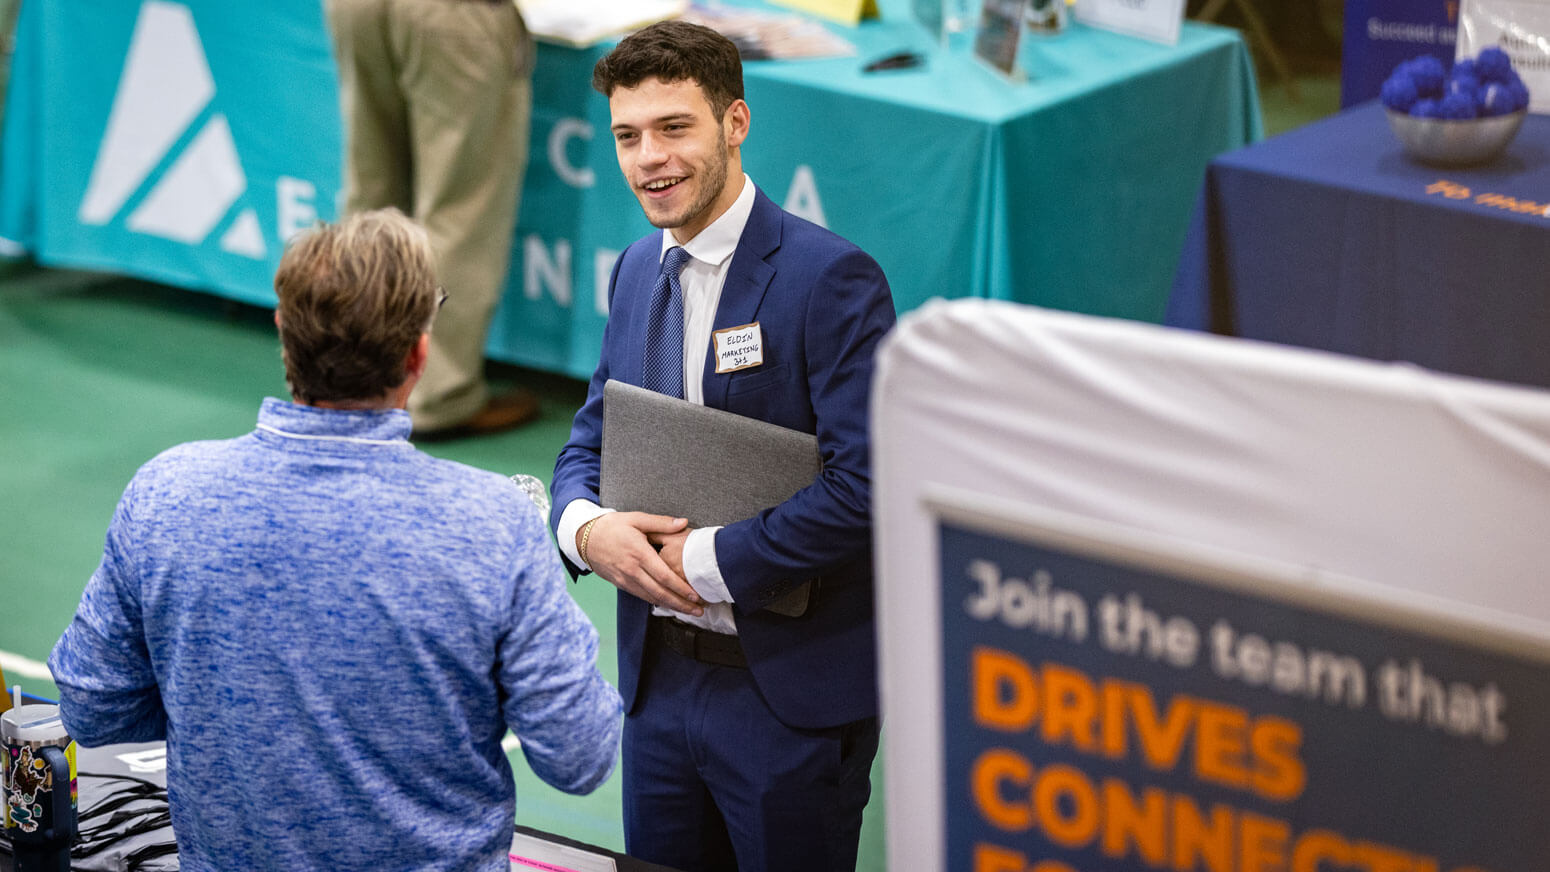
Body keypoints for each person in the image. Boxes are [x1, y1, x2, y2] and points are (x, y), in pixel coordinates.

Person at [49, 209, 622, 872]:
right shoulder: (495, 523)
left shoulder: (165, 493)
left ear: (282, 333)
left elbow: (92, 711)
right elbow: (581, 756)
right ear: (418, 354)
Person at [549, 21, 896, 871]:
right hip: (658, 684)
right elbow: (592, 434)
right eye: (628, 136)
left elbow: (866, 489)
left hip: (786, 697)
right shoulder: (637, 269)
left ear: (735, 124)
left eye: (675, 128)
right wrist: (587, 531)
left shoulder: (832, 280)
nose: (649, 160)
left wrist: (699, 562)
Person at [325, 0, 539, 438]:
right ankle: (437, 396)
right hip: (450, 14)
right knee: (460, 208)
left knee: (370, 196)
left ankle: (351, 381)